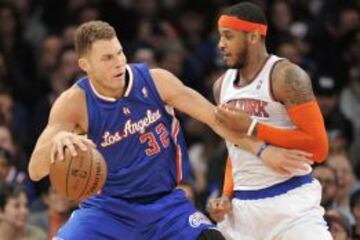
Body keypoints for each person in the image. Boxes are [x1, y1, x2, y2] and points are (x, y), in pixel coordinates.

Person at [28, 20, 312, 240]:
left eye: (119, 53)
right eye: (107, 58)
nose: (118, 63)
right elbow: (35, 170)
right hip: (108, 210)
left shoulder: (156, 81)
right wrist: (57, 140)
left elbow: (215, 119)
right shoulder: (73, 104)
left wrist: (263, 151)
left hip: (166, 205)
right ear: (84, 65)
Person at [207, 2, 332, 240]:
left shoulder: (285, 76)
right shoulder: (220, 86)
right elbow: (235, 148)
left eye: (228, 36)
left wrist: (254, 128)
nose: (220, 44)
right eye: (220, 36)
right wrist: (226, 195)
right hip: (242, 211)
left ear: (253, 36)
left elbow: (319, 148)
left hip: (292, 206)